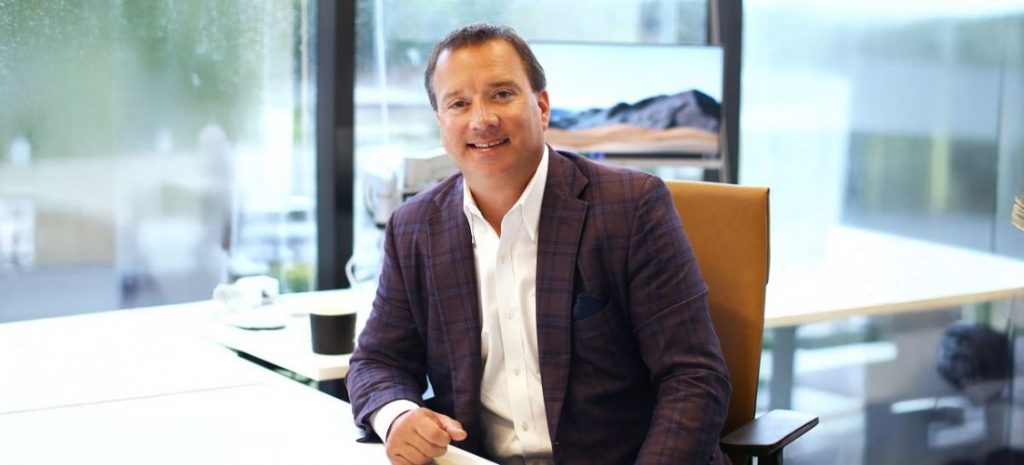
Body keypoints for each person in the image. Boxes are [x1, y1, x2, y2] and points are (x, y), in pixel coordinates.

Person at [347, 23, 731, 465]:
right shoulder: (414, 228)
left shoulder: (632, 206)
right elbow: (377, 361)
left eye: (502, 94)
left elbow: (693, 378)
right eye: (459, 103)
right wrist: (397, 417)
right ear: (441, 122)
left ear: (542, 107)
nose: (482, 119)